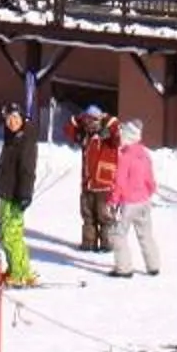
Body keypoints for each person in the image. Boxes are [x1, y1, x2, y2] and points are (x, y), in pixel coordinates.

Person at [106, 115, 162, 277]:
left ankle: (124, 269)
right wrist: (147, 193)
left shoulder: (126, 157)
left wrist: (113, 200)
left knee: (118, 234)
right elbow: (150, 180)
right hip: (144, 201)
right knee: (146, 234)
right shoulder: (144, 154)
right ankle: (153, 265)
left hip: (127, 203)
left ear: (128, 136)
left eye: (122, 134)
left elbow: (119, 182)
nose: (120, 137)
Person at [0, 99, 39, 287]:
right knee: (5, 234)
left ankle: (21, 273)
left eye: (15, 117)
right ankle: (16, 269)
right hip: (6, 193)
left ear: (21, 117)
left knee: (12, 234)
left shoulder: (25, 140)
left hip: (16, 195)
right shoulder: (11, 137)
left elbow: (27, 169)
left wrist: (25, 195)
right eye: (8, 118)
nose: (11, 122)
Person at [72, 104, 117, 251]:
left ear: (100, 120)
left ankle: (108, 244)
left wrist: (107, 123)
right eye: (87, 121)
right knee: (88, 216)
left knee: (105, 218)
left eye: (93, 121)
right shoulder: (85, 136)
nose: (90, 125)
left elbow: (117, 129)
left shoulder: (109, 137)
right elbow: (69, 127)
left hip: (104, 185)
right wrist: (81, 118)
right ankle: (88, 243)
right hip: (88, 184)